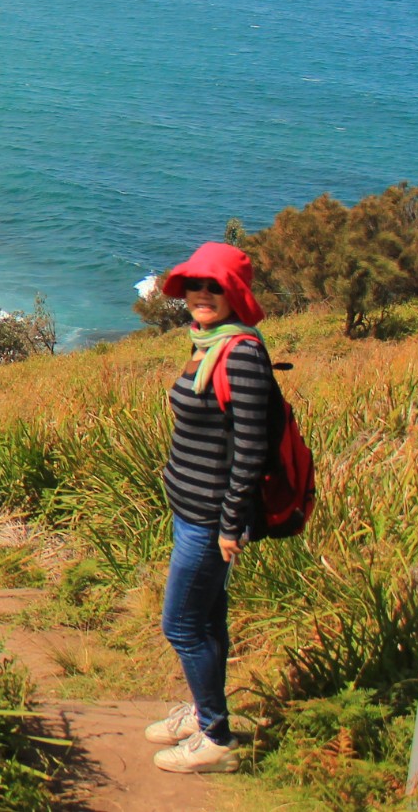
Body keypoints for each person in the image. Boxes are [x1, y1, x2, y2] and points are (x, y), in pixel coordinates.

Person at [142, 240, 276, 774]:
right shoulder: (207, 343)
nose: (200, 294)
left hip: (210, 520)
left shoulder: (239, 353)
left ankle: (215, 737)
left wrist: (230, 525)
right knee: (209, 621)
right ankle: (204, 714)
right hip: (191, 508)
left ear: (234, 294)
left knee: (180, 626)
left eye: (213, 286)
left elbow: (251, 449)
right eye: (195, 285)